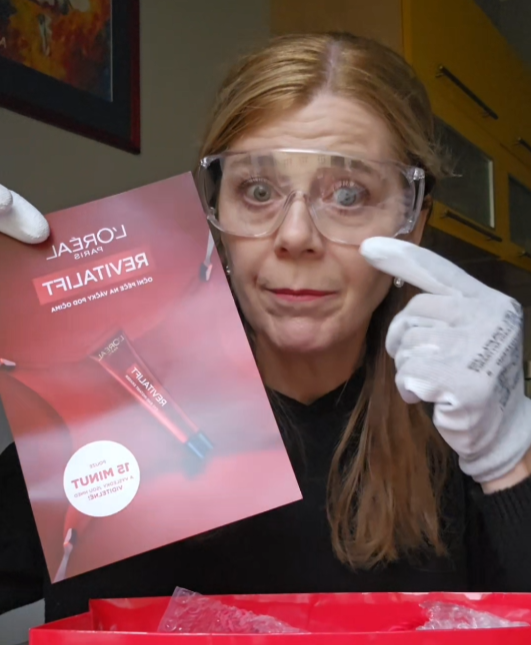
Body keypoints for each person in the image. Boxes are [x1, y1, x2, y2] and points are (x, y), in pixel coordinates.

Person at [1, 31, 531, 624]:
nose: (295, 235)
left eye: (349, 194)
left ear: (413, 220)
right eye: (257, 191)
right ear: (218, 212)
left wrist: (510, 467)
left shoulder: (465, 434)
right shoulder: (102, 429)